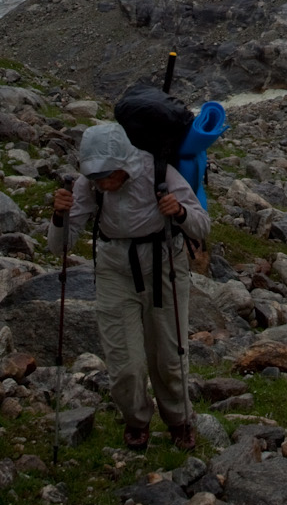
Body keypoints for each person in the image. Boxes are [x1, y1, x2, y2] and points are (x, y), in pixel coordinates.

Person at [50, 121, 210, 451]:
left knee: (169, 355)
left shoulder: (159, 173)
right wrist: (59, 217)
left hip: (165, 266)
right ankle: (136, 421)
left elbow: (202, 225)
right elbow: (59, 246)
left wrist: (178, 211)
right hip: (114, 269)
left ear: (125, 163)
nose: (103, 183)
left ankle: (179, 420)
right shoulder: (90, 183)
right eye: (95, 176)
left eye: (108, 174)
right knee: (124, 362)